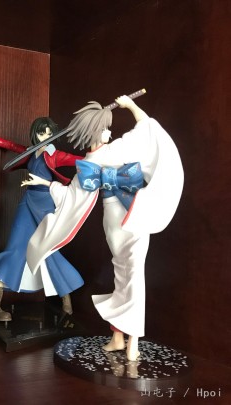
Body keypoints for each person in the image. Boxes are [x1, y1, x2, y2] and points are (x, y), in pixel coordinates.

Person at [25, 95, 183, 360]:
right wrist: (131, 106)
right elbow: (146, 130)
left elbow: (70, 195)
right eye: (104, 128)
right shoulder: (111, 152)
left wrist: (47, 184)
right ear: (92, 133)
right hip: (124, 217)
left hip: (125, 216)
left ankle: (130, 340)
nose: (108, 132)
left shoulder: (93, 160)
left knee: (129, 275)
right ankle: (123, 339)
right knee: (127, 275)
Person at [0, 118, 84, 321]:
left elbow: (78, 160)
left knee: (49, 250)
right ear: (35, 134)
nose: (45, 137)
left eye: (49, 133)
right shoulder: (31, 151)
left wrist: (102, 154)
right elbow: (13, 147)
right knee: (15, 246)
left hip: (46, 204)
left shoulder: (55, 154)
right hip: (27, 202)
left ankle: (67, 302)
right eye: (42, 133)